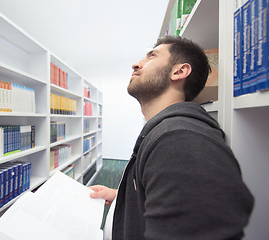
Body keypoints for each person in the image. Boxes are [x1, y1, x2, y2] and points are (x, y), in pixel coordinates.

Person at [90, 36, 254, 240]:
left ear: (179, 71)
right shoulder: (165, 133)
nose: (136, 64)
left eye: (151, 56)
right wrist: (121, 197)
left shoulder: (179, 141)